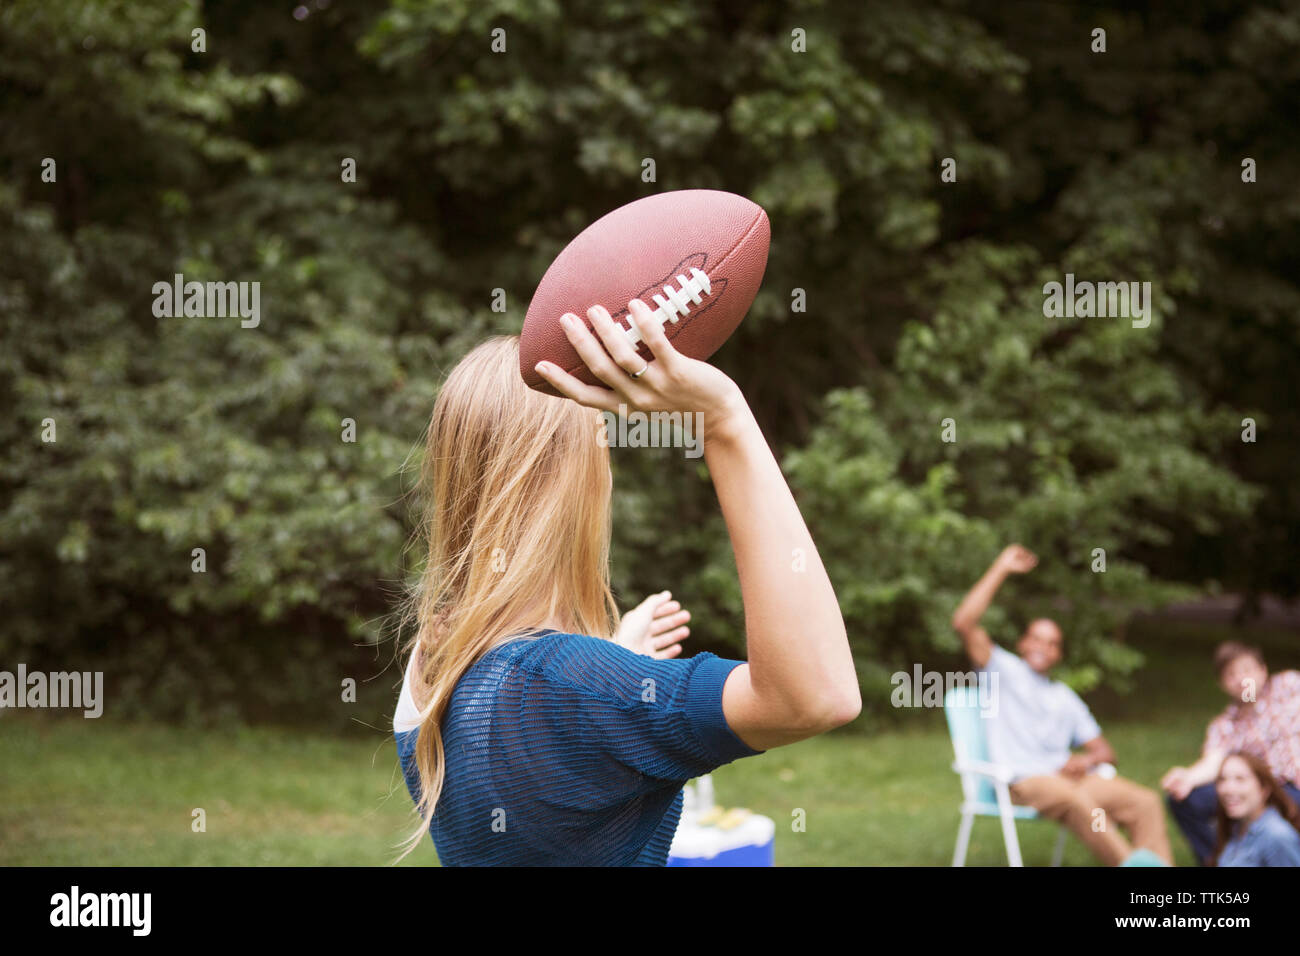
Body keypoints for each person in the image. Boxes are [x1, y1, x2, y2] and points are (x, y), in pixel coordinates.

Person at [392, 299, 860, 865]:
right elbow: (814, 696)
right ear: (578, 481)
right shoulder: (569, 686)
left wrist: (614, 660)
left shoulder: (436, 655)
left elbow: (539, 745)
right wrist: (726, 422)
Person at [951, 544, 1172, 865]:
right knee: (1078, 800)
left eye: (1052, 643)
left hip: (1072, 779)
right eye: (1037, 638)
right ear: (1023, 643)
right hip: (1024, 781)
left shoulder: (1065, 698)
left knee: (1146, 802)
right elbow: (963, 623)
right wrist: (1001, 568)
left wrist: (1085, 761)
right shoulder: (1002, 670)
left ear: (1059, 654)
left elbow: (1106, 753)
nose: (1044, 646)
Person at [1161, 642, 1300, 865]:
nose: (1240, 679)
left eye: (1246, 670)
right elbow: (1212, 763)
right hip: (1258, 788)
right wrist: (1187, 777)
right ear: (1222, 684)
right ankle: (1218, 859)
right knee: (1184, 798)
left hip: (1295, 786)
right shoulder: (1224, 725)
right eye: (1231, 674)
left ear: (1263, 671)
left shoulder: (1289, 686)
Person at [1211, 752, 1300, 867]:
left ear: (1264, 789)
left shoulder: (1276, 836)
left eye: (1240, 779)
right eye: (1222, 779)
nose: (1228, 789)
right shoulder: (1237, 828)